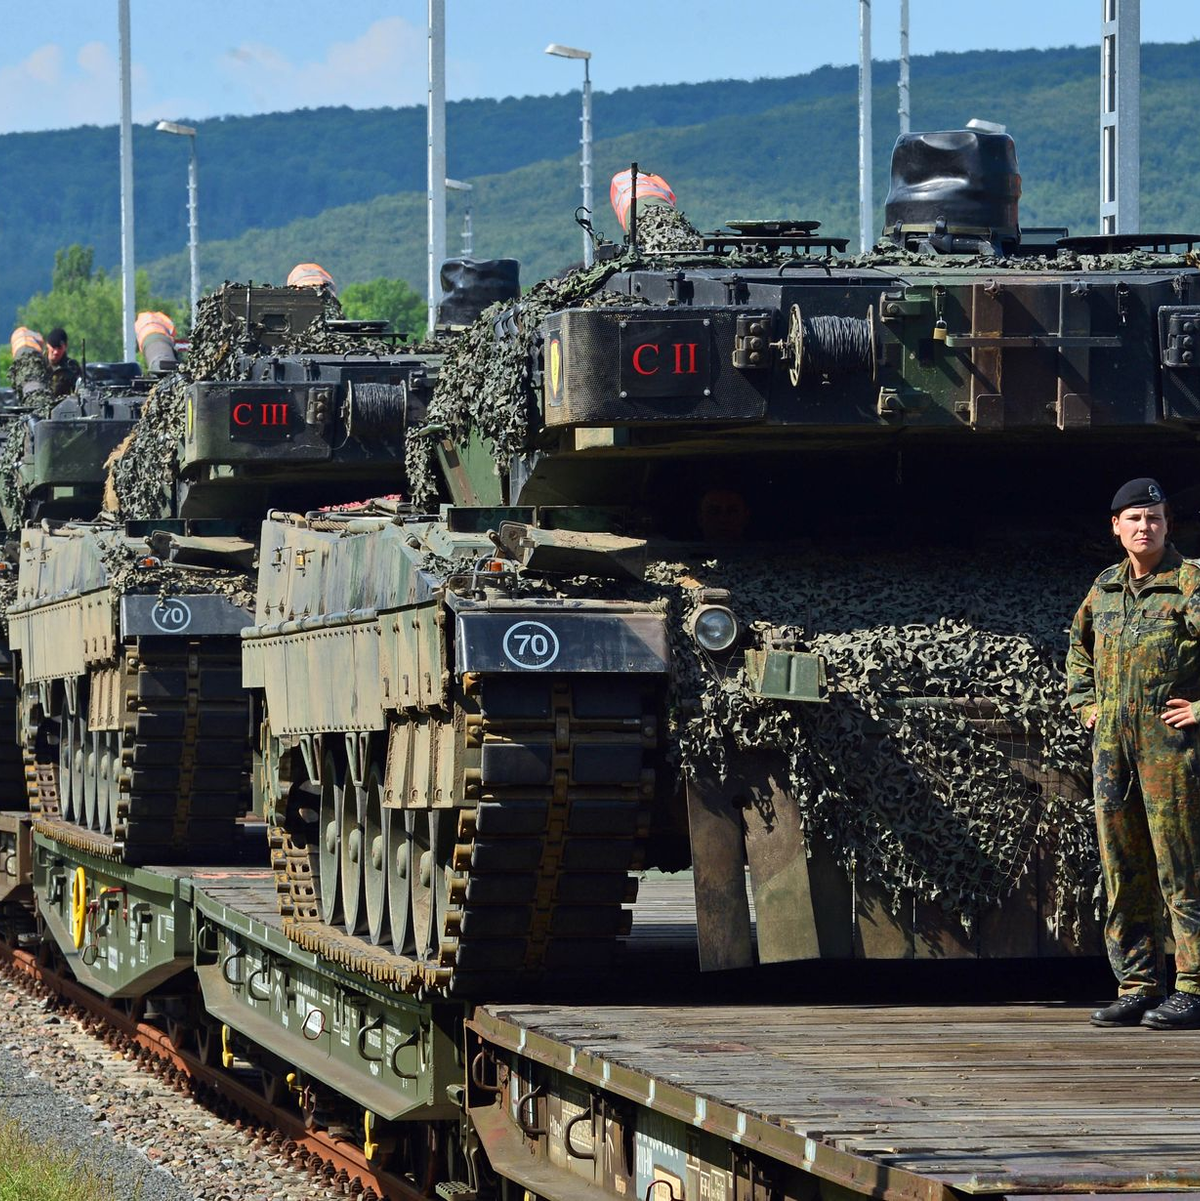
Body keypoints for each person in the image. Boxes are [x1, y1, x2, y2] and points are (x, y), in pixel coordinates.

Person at [1067, 477, 1200, 1029]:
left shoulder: (1189, 583)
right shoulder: (1105, 588)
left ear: (1168, 525)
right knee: (1123, 869)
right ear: (1116, 527)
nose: (1145, 527)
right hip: (1113, 751)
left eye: (1155, 518)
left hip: (1172, 751)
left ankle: (1192, 987)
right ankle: (1140, 984)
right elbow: (1079, 651)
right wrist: (1086, 706)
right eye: (1135, 519)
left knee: (1182, 868)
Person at [45, 327, 81, 398]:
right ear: (47, 345)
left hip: (62, 407)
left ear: (65, 347)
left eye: (59, 348)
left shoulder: (72, 367)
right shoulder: (38, 363)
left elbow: (80, 390)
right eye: (53, 347)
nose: (56, 352)